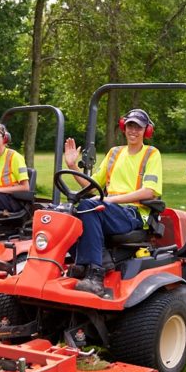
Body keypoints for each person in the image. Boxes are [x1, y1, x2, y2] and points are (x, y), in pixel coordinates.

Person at [63, 108, 163, 296]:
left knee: (89, 207)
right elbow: (92, 187)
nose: (133, 131)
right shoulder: (114, 153)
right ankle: (83, 263)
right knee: (67, 212)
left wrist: (111, 199)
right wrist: (72, 166)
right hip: (111, 209)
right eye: (130, 126)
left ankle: (95, 274)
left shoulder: (151, 154)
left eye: (138, 127)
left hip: (134, 213)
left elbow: (149, 191)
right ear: (123, 128)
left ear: (146, 131)